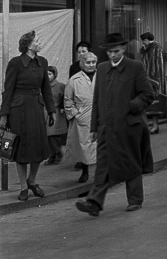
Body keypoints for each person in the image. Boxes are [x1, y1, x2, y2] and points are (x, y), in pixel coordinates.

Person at [75, 32, 154, 217]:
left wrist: (132, 105)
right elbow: (97, 99)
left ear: (124, 49)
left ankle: (135, 200)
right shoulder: (101, 69)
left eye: (116, 51)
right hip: (106, 128)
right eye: (110, 52)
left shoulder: (135, 67)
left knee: (131, 162)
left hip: (129, 126)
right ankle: (94, 202)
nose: (113, 55)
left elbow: (148, 94)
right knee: (103, 164)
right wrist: (94, 127)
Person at [0, 31, 55, 201]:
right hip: (18, 110)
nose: (40, 43)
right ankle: (23, 187)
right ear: (29, 45)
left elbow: (46, 88)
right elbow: (8, 90)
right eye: (37, 41)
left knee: (38, 147)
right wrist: (4, 115)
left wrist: (51, 110)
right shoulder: (15, 63)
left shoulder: (42, 62)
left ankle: (32, 180)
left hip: (36, 108)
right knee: (21, 149)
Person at [64, 52, 98, 183]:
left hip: (100, 115)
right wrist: (75, 114)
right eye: (88, 62)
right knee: (84, 145)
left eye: (93, 62)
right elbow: (68, 100)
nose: (91, 65)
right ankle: (85, 171)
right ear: (82, 64)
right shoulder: (74, 80)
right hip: (83, 116)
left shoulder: (102, 77)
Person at [139, 32, 165, 134]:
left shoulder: (155, 47)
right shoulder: (148, 48)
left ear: (146, 40)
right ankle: (150, 125)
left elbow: (154, 64)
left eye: (143, 40)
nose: (142, 43)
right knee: (148, 103)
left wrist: (152, 79)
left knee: (155, 103)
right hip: (148, 79)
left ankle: (155, 125)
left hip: (153, 79)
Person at [44, 66, 67, 164]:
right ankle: (52, 155)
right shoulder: (43, 85)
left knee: (53, 134)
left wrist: (63, 107)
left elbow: (65, 97)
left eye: (50, 74)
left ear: (54, 74)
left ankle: (57, 153)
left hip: (56, 112)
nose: (48, 76)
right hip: (45, 112)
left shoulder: (60, 86)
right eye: (46, 74)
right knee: (48, 136)